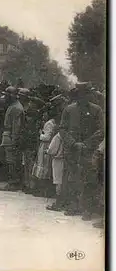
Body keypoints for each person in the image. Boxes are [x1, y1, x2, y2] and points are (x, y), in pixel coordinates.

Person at [59, 82, 104, 220]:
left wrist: (86, 143)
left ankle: (88, 209)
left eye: (86, 94)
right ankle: (74, 206)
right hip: (72, 150)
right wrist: (73, 143)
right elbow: (62, 129)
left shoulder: (97, 110)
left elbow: (101, 130)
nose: (83, 97)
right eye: (80, 95)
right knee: (72, 177)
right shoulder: (68, 109)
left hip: (88, 150)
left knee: (89, 179)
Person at [0, 86, 25, 192]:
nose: (5, 97)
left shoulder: (16, 108)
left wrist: (14, 140)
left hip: (11, 136)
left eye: (7, 95)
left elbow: (16, 126)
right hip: (8, 134)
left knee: (12, 161)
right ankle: (13, 181)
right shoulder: (13, 106)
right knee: (10, 160)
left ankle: (14, 183)